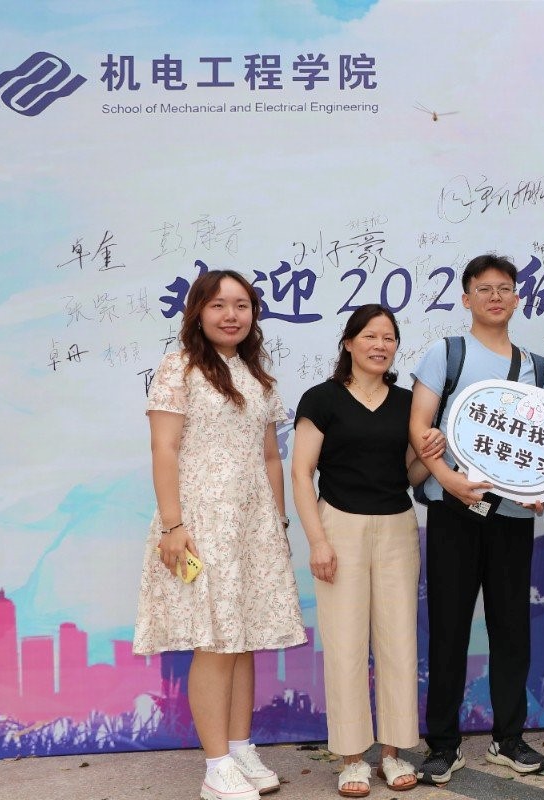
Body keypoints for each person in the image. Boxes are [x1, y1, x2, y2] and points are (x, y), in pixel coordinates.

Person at [133, 270, 306, 800]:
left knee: (243, 639)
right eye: (219, 305)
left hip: (252, 527)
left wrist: (277, 524)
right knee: (213, 641)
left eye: (242, 305)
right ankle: (215, 767)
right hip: (201, 524)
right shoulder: (179, 367)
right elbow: (164, 448)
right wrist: (173, 525)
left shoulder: (257, 376)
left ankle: (239, 746)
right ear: (198, 312)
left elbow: (271, 456)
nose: (231, 315)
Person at [408, 254, 544, 785]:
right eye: (484, 289)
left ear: (517, 299)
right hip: (453, 513)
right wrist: (448, 480)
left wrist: (542, 492)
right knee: (448, 628)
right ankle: (443, 745)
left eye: (505, 288)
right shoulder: (447, 353)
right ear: (466, 298)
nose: (495, 297)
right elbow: (420, 426)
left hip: (511, 516)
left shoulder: (536, 365)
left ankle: (508, 739)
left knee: (512, 629)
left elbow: (543, 442)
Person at [292, 305, 442, 796]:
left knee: (399, 641)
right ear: (349, 342)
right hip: (339, 525)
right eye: (370, 336)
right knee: (345, 644)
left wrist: (429, 457)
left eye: (389, 338)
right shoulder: (321, 399)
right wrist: (317, 540)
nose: (380, 345)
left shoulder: (406, 403)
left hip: (398, 525)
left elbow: (410, 474)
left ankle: (393, 754)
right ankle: (352, 758)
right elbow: (301, 473)